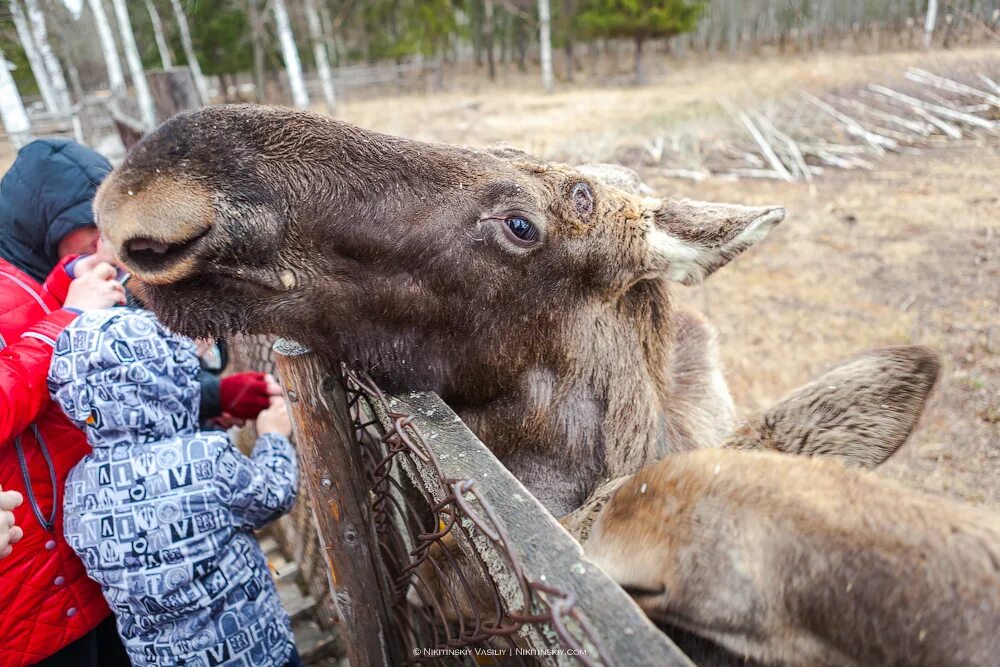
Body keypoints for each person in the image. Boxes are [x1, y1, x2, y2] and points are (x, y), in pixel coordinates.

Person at [0, 137, 279, 665]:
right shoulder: (28, 297)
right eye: (94, 228)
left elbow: (97, 399)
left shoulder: (44, 281)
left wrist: (211, 395)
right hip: (33, 600)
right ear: (45, 223)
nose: (108, 244)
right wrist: (68, 318)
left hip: (81, 579)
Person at [52, 308, 301, 667]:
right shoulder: (206, 455)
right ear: (167, 379)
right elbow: (273, 497)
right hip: (252, 650)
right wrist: (273, 437)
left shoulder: (77, 487)